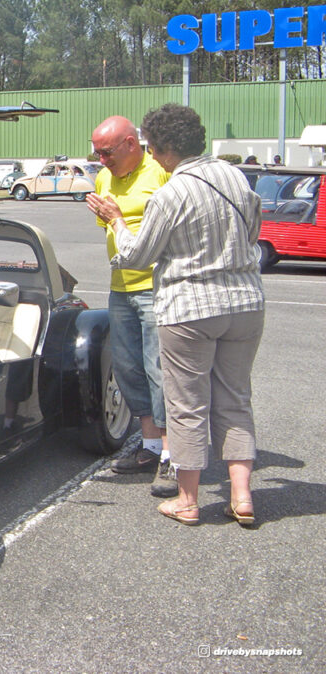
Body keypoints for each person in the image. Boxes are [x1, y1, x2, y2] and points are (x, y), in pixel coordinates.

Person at [90, 103, 264, 526]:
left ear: (163, 148)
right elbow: (255, 230)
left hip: (190, 307)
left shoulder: (171, 191)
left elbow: (135, 255)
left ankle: (188, 499)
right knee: (235, 399)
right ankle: (242, 495)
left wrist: (117, 221)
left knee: (185, 403)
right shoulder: (236, 177)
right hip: (245, 303)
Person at [85, 115, 174, 497]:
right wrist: (105, 218)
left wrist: (120, 220)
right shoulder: (104, 177)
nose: (101, 161)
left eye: (106, 152)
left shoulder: (161, 172)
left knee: (160, 370)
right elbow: (109, 228)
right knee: (126, 366)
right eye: (96, 153)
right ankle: (150, 445)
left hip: (155, 285)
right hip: (120, 286)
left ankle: (173, 454)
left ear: (131, 144)